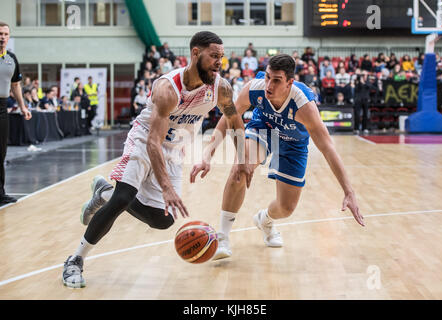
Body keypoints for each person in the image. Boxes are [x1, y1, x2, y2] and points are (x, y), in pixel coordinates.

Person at [62, 31, 253, 288]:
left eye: (221, 56)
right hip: (145, 141)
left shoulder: (222, 88)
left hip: (174, 150)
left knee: (163, 220)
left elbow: (233, 121)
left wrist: (241, 158)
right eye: (214, 56)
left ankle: (104, 193)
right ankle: (75, 260)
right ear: (195, 53)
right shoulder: (168, 88)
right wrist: (166, 188)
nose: (219, 62)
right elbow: (153, 142)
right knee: (123, 198)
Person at [191, 54, 364, 260]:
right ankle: (223, 237)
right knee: (241, 166)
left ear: (290, 82)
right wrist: (207, 155)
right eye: (268, 77)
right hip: (263, 129)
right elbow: (229, 115)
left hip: (293, 142)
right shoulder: (255, 88)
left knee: (286, 207)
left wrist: (349, 191)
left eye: (276, 80)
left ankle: (265, 220)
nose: (269, 85)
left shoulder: (304, 106)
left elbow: (328, 148)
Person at [0, 21, 32, 206]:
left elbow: (16, 85)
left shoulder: (11, 59)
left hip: (3, 107)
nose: (2, 37)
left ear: (8, 37)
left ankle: (0, 193)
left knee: (1, 152)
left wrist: (23, 107)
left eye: (5, 34)